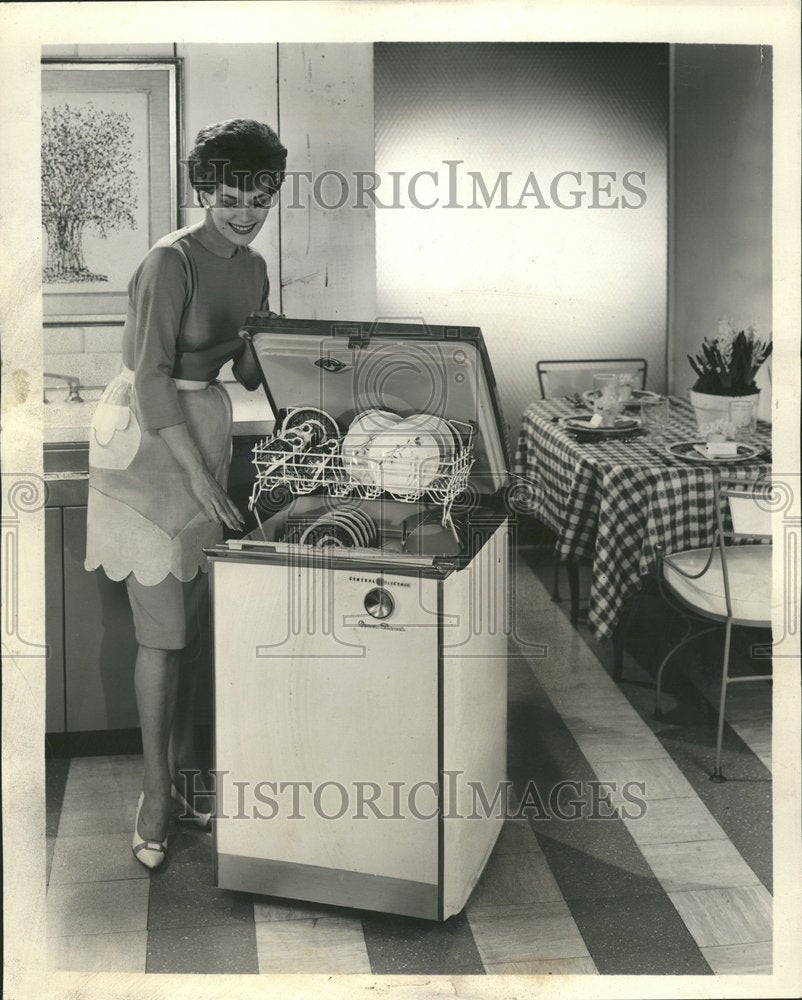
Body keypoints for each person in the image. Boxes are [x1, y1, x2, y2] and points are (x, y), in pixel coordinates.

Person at [84, 119, 287, 869]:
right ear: (206, 191)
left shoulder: (256, 267)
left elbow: (250, 373)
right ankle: (155, 794)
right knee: (161, 632)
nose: (242, 212)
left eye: (258, 198)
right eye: (230, 196)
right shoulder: (170, 264)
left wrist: (281, 341)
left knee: (197, 623)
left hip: (205, 430)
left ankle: (187, 778)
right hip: (149, 444)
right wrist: (202, 479)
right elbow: (148, 378)